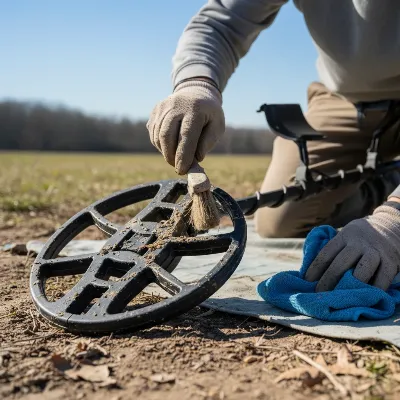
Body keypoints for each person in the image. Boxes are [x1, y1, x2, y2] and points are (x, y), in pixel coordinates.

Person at [146, 1, 400, 292]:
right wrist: (196, 83)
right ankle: (386, 183)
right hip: (345, 99)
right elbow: (222, 23)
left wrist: (393, 220)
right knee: (280, 219)